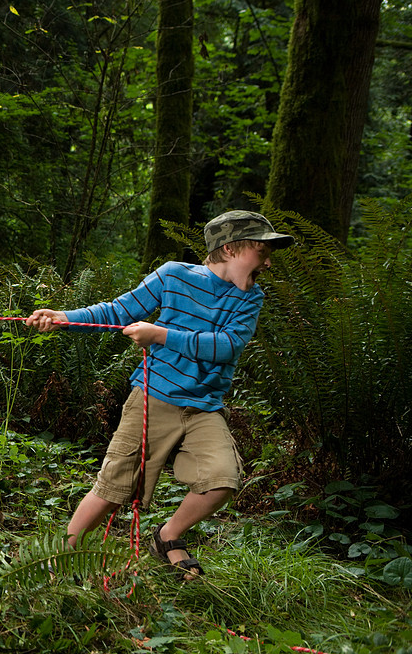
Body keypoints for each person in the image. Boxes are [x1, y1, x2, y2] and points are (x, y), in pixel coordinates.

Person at [25, 210, 294, 580]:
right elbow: (120, 311)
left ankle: (168, 536)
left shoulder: (250, 299)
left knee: (222, 478)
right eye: (261, 251)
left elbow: (227, 346)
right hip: (153, 396)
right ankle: (60, 557)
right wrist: (66, 318)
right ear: (230, 249)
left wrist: (160, 335)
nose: (267, 260)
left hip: (204, 408)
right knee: (114, 485)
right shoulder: (173, 276)